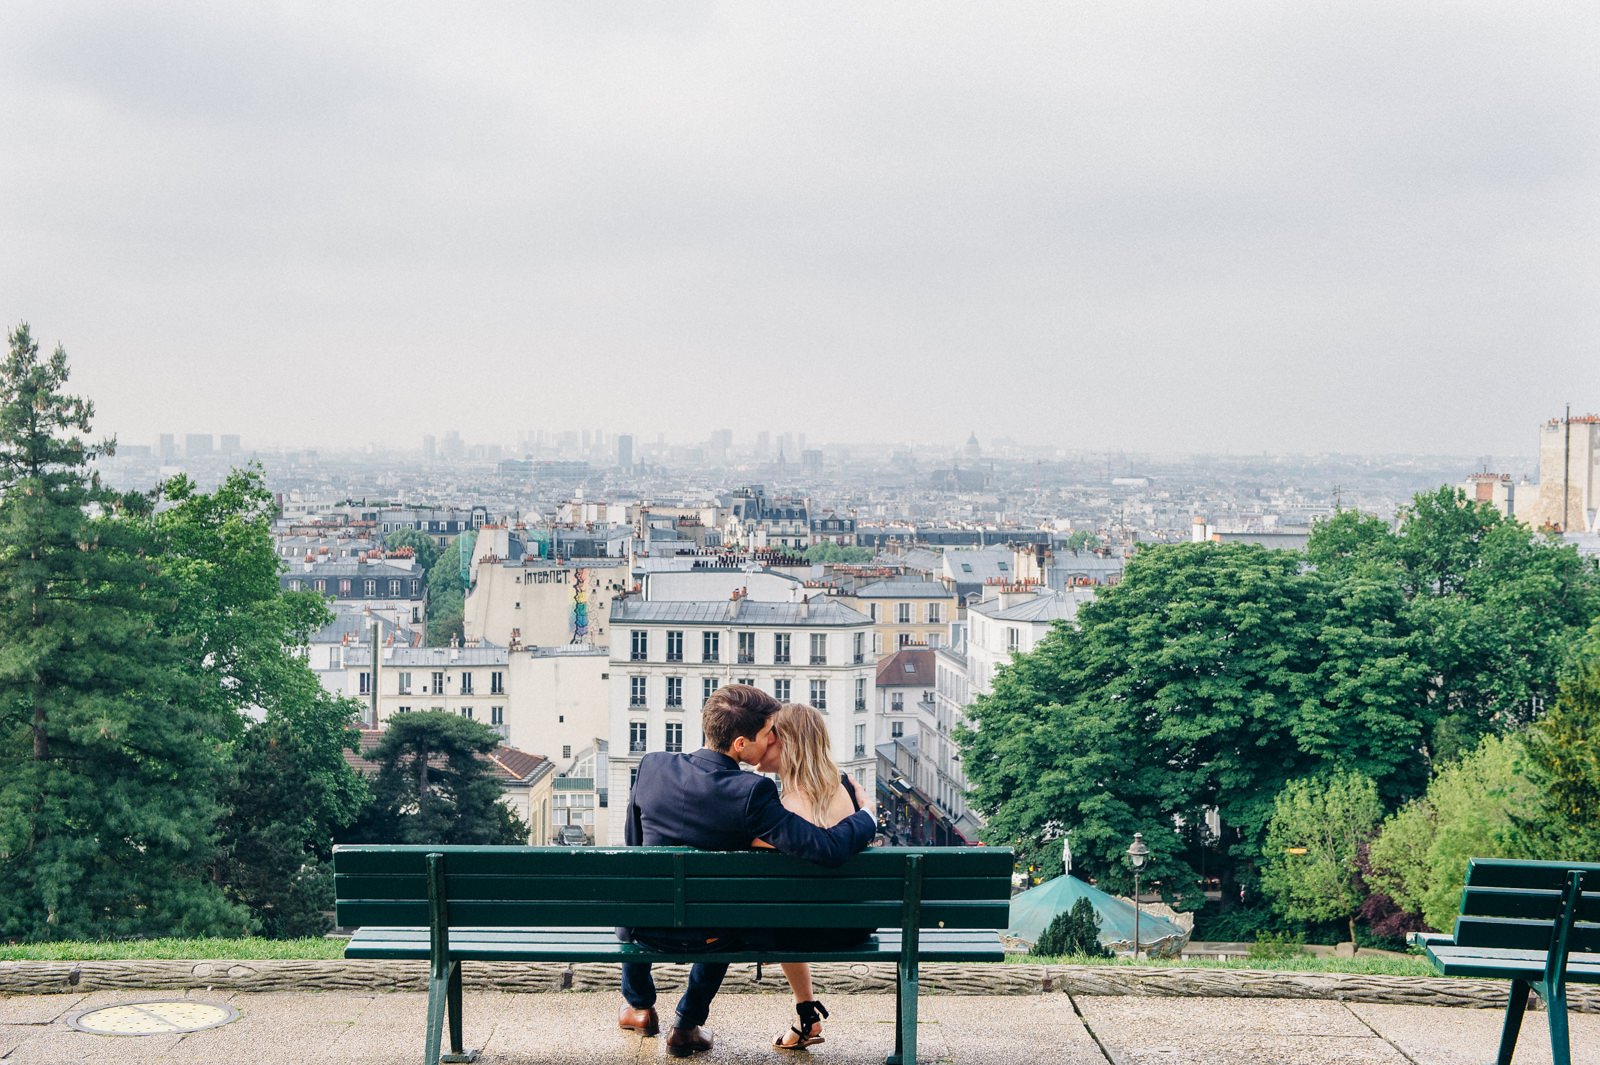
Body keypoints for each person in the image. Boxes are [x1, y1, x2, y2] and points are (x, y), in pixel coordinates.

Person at [618, 684, 876, 1057]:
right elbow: (826, 847)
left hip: (646, 925)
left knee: (636, 892)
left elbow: (633, 849)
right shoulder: (752, 793)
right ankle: (687, 1024)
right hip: (714, 934)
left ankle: (639, 1005)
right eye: (767, 733)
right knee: (728, 915)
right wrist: (868, 815)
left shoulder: (651, 766)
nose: (773, 738)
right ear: (741, 744)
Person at [752, 702, 874, 1049]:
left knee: (784, 911)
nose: (765, 741)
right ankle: (807, 1014)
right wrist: (869, 816)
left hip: (796, 932)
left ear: (784, 743)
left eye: (769, 736)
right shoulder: (849, 791)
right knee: (793, 908)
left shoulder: (783, 809)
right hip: (851, 927)